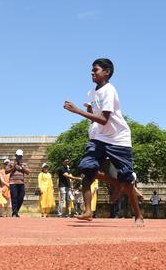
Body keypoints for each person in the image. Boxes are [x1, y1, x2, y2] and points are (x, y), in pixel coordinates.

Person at [63, 58, 144, 226]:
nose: (92, 72)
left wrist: (78, 111)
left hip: (118, 139)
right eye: (91, 70)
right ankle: (87, 211)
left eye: (96, 70)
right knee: (87, 171)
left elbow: (104, 119)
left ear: (106, 72)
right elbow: (96, 113)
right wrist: (88, 110)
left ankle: (138, 215)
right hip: (100, 138)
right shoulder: (91, 93)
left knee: (127, 179)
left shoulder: (109, 90)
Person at [5, 149, 30, 217]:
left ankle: (16, 211)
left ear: (22, 156)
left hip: (21, 183)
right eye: (18, 156)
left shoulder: (24, 164)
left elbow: (28, 172)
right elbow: (6, 171)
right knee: (14, 197)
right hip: (13, 183)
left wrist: (22, 167)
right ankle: (15, 212)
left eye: (20, 156)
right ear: (15, 156)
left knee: (21, 197)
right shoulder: (11, 163)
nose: (19, 158)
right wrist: (13, 168)